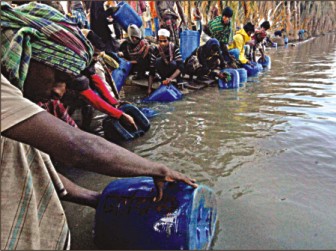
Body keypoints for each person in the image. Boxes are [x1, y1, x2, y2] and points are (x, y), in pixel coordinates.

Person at [1, 73, 198, 250]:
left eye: (65, 84)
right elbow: (79, 147)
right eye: (55, 78)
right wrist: (158, 169)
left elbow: (35, 168)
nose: (59, 91)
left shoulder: (37, 110)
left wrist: (96, 199)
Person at [1, 2, 136, 130]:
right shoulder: (10, 103)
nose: (59, 91)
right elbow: (91, 97)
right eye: (58, 78)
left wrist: (115, 103)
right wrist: (118, 114)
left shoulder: (50, 102)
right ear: (23, 54)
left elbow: (97, 81)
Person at [147, 29, 184, 95]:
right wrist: (149, 88)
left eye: (165, 41)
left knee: (174, 63)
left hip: (173, 71)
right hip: (162, 72)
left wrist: (170, 79)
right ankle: (162, 79)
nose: (162, 43)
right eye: (160, 41)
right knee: (158, 61)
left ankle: (179, 81)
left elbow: (180, 66)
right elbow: (151, 70)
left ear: (168, 40)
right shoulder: (156, 50)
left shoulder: (174, 48)